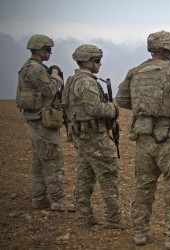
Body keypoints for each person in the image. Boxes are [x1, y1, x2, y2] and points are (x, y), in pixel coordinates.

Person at [116, 30, 170, 249]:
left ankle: (140, 234)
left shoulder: (134, 72)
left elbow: (122, 100)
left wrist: (144, 110)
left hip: (144, 138)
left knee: (143, 186)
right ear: (169, 50)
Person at [62, 44, 126, 229]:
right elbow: (95, 108)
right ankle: (113, 219)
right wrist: (113, 109)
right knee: (108, 175)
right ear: (87, 61)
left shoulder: (73, 80)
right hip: (94, 136)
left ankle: (84, 217)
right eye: (96, 60)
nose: (99, 64)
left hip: (82, 135)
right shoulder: (86, 82)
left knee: (85, 176)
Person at [16, 34, 74, 212]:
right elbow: (49, 90)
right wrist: (56, 76)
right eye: (47, 49)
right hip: (43, 120)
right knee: (53, 159)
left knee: (39, 161)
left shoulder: (27, 67)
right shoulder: (35, 69)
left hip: (36, 119)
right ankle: (58, 200)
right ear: (39, 48)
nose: (49, 53)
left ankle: (39, 199)